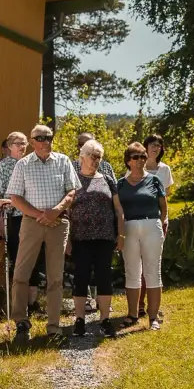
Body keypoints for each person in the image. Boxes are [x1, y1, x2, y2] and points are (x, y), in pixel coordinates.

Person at [5, 124, 80, 342]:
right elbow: (15, 197)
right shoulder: (23, 165)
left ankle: (54, 325)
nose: (46, 141)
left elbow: (72, 191)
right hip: (32, 222)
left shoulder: (63, 161)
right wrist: (41, 215)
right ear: (32, 141)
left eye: (48, 137)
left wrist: (56, 211)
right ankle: (21, 321)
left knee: (55, 277)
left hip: (58, 223)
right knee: (21, 273)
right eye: (40, 138)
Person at [69, 139, 125, 338]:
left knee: (104, 276)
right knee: (81, 276)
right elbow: (66, 210)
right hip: (80, 237)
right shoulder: (73, 179)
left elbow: (118, 209)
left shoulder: (108, 179)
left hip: (104, 237)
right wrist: (67, 240)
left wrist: (121, 235)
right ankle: (79, 320)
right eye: (92, 157)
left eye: (98, 157)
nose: (95, 161)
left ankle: (104, 320)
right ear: (82, 157)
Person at [116, 142, 168, 330]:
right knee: (132, 272)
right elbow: (117, 209)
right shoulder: (120, 184)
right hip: (129, 229)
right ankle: (132, 314)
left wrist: (161, 224)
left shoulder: (154, 181)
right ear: (128, 161)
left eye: (143, 157)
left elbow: (164, 207)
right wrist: (119, 233)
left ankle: (153, 317)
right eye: (136, 157)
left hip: (151, 226)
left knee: (153, 271)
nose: (140, 161)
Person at [0, 132, 39, 313]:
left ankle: (33, 302)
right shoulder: (5, 166)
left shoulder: (30, 164)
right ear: (10, 145)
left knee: (34, 258)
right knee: (18, 259)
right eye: (19, 143)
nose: (23, 146)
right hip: (14, 217)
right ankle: (18, 303)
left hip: (33, 217)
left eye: (25, 143)